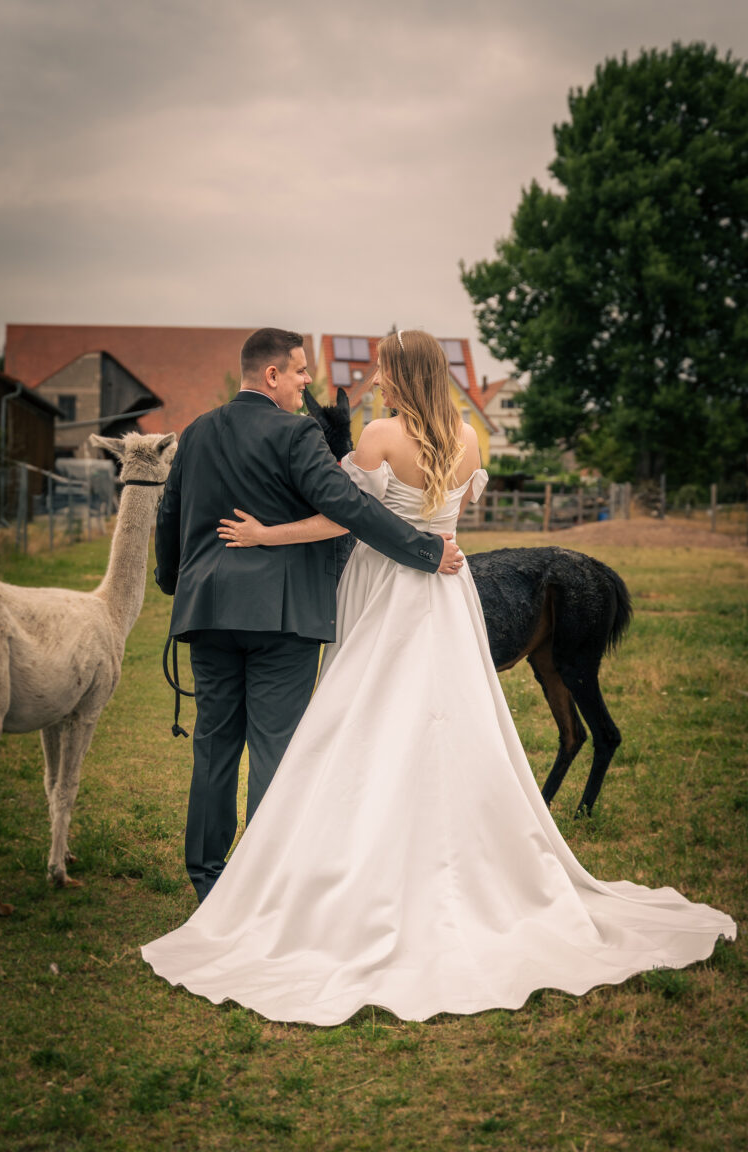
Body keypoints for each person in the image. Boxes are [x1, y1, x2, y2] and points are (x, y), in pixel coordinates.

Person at [143, 330, 735, 1025]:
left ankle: (249, 879)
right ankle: (399, 864)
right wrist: (432, 543)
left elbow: (344, 515)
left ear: (401, 374)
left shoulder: (356, 437)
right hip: (446, 594)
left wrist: (239, 550)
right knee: (444, 720)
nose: (373, 381)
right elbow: (435, 512)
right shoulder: (468, 440)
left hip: (371, 591)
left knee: (317, 732)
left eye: (382, 371)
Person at [154, 328, 464, 903]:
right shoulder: (296, 433)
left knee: (214, 745)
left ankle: (207, 878)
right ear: (272, 374)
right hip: (283, 617)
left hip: (207, 613)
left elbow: (168, 515)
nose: (307, 382)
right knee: (276, 748)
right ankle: (263, 881)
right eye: (299, 371)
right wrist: (425, 550)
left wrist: (178, 584)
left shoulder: (196, 431)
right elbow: (349, 507)